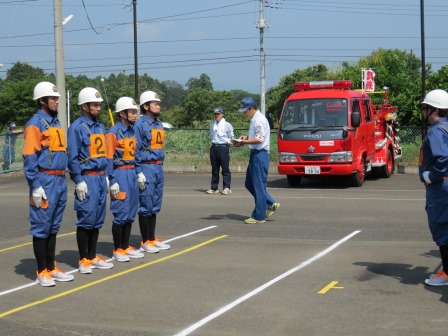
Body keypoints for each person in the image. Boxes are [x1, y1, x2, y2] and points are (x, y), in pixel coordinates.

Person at [23, 81, 73, 287]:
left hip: (59, 179)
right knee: (41, 226)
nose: (56, 101)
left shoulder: (55, 123)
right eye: (53, 98)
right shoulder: (35, 124)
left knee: (53, 226)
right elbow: (29, 156)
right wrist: (35, 185)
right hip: (44, 180)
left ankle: (51, 267)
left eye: (57, 98)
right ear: (42, 100)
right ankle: (41, 270)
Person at [68, 87, 113, 274]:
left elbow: (104, 154)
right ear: (85, 106)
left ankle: (93, 256)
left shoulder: (100, 127)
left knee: (97, 220)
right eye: (95, 105)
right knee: (86, 219)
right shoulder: (77, 128)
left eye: (99, 105)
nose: (98, 108)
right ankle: (83, 259)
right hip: (87, 178)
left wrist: (108, 175)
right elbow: (72, 156)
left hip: (100, 177)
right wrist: (78, 180)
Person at [106, 97, 144, 262]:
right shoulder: (113, 133)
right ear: (122, 113)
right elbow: (108, 157)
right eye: (132, 112)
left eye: (135, 112)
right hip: (119, 173)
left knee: (130, 211)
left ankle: (125, 245)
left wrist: (139, 172)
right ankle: (117, 248)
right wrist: (111, 179)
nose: (135, 115)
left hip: (131, 172)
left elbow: (135, 154)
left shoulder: (132, 131)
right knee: (121, 211)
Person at [134, 90, 170, 253]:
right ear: (146, 106)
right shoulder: (140, 125)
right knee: (146, 204)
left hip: (158, 166)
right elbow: (136, 148)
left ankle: (152, 238)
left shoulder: (158, 124)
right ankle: (145, 240)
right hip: (147, 166)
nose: (158, 106)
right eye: (155, 104)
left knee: (155, 204)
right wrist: (139, 170)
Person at [419, 89, 448, 286]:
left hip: (441, 186)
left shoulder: (437, 130)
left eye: (424, 108)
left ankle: (446, 273)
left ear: (433, 109)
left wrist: (431, 175)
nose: (422, 112)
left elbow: (443, 157)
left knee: (441, 228)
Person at [236, 97, 280, 224]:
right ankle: (270, 203)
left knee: (258, 186)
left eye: (245, 111)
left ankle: (258, 216)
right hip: (256, 154)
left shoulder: (258, 120)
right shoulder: (255, 119)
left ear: (251, 108)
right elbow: (256, 137)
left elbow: (259, 138)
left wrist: (243, 142)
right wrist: (246, 138)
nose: (244, 114)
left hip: (260, 155)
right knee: (249, 183)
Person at [206, 107, 234, 195]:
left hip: (223, 147)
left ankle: (227, 187)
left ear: (222, 114)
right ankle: (214, 187)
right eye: (215, 114)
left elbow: (231, 137)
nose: (216, 116)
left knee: (225, 169)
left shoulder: (227, 125)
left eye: (218, 114)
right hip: (214, 147)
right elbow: (211, 135)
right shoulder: (212, 125)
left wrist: (228, 147)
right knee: (215, 169)